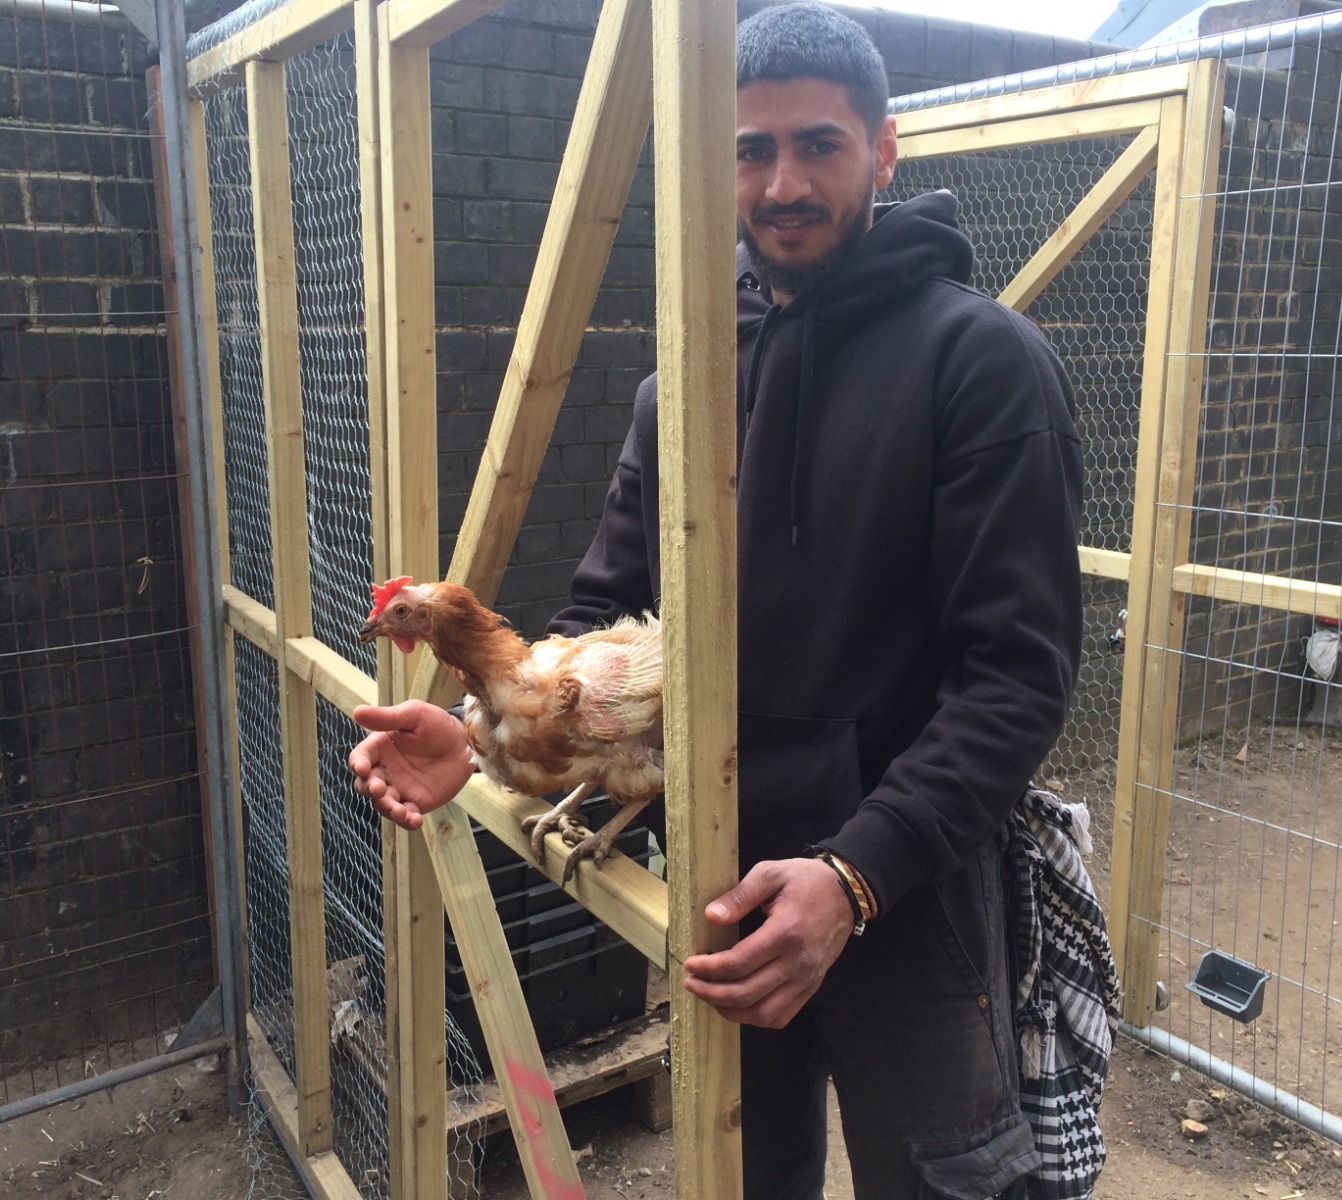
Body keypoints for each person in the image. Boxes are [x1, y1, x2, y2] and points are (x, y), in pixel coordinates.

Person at [350, 5, 1085, 1197]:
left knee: (946, 1182)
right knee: (748, 1178)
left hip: (907, 888)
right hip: (721, 876)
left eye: (818, 145)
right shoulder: (674, 388)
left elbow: (1018, 675)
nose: (782, 182)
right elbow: (602, 630)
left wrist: (854, 877)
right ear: (716, 166)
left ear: (884, 150)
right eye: (751, 150)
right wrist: (492, 742)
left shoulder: (983, 363)